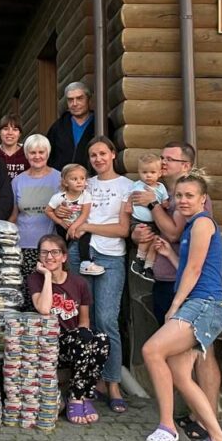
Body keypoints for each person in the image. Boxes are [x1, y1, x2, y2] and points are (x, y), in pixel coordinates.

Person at [131, 141, 221, 440]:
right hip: (169, 277)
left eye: (170, 158)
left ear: (186, 166)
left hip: (192, 292)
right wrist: (140, 232)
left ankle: (204, 419)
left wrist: (153, 206)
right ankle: (193, 424)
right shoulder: (167, 195)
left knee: (200, 354)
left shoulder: (193, 206)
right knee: (180, 360)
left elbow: (172, 232)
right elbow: (166, 236)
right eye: (162, 157)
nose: (164, 162)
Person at [142, 171, 222, 441]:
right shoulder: (194, 226)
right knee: (181, 374)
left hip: (202, 304)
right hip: (199, 302)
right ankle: (219, 440)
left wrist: (174, 305)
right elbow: (193, 264)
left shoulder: (203, 223)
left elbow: (194, 271)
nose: (182, 200)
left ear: (203, 199)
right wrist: (170, 255)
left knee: (152, 351)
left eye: (189, 195)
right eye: (178, 196)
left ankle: (167, 426)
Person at [61, 136, 131, 411]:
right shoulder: (84, 183)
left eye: (103, 153)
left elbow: (122, 230)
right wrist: (67, 214)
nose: (98, 159)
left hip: (111, 255)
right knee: (82, 319)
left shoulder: (126, 186)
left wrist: (88, 227)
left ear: (113, 154)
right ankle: (86, 381)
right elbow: (68, 215)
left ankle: (113, 382)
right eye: (93, 155)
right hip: (81, 252)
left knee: (106, 319)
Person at [28, 234, 110, 425]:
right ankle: (75, 398)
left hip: (75, 341)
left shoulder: (79, 283)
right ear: (39, 257)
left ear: (64, 257)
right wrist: (47, 276)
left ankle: (85, 395)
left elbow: (84, 321)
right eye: (45, 253)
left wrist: (84, 335)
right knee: (82, 342)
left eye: (55, 252)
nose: (49, 257)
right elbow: (44, 309)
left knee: (102, 340)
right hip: (49, 343)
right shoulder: (35, 279)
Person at [9, 134, 61, 285]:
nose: (37, 156)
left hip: (50, 247)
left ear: (48, 153)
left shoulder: (59, 178)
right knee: (26, 292)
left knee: (49, 291)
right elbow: (13, 214)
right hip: (23, 245)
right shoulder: (18, 181)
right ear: (26, 155)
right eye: (32, 153)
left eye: (41, 152)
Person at [128, 153, 169, 281]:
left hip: (154, 221)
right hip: (138, 220)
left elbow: (165, 201)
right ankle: (139, 259)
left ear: (160, 173)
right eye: (144, 172)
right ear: (139, 172)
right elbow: (130, 197)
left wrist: (165, 204)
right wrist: (128, 206)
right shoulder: (137, 185)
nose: (148, 175)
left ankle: (148, 267)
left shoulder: (161, 188)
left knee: (155, 241)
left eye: (152, 172)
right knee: (144, 237)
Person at [44, 163, 92, 267]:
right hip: (64, 226)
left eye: (82, 178)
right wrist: (61, 222)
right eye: (74, 179)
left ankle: (86, 261)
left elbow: (85, 214)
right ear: (65, 182)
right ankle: (61, 263)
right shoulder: (59, 197)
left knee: (86, 238)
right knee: (61, 243)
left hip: (79, 225)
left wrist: (73, 227)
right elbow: (48, 211)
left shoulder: (86, 196)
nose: (79, 181)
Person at [45, 82, 95, 172]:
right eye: (70, 100)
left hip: (91, 180)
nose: (74, 103)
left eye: (79, 98)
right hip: (61, 182)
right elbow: (47, 157)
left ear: (89, 99)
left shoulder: (101, 123)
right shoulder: (57, 127)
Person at [0, 113, 28, 180]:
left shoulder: (27, 153)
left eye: (15, 129)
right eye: (6, 129)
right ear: (0, 132)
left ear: (20, 134)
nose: (10, 133)